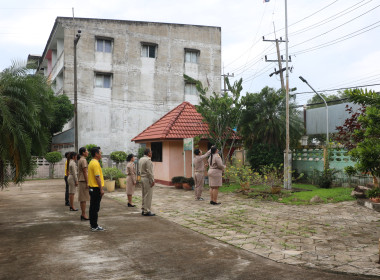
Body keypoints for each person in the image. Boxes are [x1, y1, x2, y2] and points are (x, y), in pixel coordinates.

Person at [88, 147, 105, 231]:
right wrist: (101, 189)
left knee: (93, 207)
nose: (101, 154)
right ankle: (94, 225)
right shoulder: (95, 163)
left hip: (92, 188)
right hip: (95, 188)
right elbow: (97, 177)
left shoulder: (92, 162)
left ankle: (93, 224)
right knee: (95, 207)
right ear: (96, 154)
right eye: (100, 153)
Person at [139, 148, 155, 216]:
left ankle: (143, 209)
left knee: (144, 194)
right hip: (147, 179)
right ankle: (147, 210)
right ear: (148, 153)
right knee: (148, 195)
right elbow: (149, 172)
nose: (151, 154)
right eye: (151, 152)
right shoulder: (148, 160)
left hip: (142, 177)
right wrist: (152, 180)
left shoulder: (141, 159)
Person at [78, 147, 90, 220]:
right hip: (83, 180)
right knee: (83, 199)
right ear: (83, 152)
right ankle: (83, 214)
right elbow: (85, 172)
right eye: (86, 151)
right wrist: (87, 182)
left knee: (83, 198)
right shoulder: (83, 160)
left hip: (81, 180)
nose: (87, 152)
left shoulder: (80, 160)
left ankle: (83, 214)